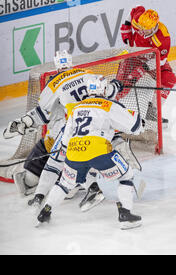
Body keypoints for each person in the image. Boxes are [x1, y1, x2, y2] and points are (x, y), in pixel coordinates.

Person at [3, 50, 123, 211]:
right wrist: (116, 85)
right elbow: (108, 92)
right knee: (87, 158)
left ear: (57, 67)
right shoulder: (87, 74)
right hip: (99, 128)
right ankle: (100, 183)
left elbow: (41, 114)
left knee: (56, 161)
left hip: (74, 126)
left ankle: (41, 195)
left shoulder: (54, 84)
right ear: (71, 63)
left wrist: (23, 123)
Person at [36, 75, 145, 229]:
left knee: (64, 183)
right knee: (126, 176)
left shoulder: (77, 108)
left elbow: (66, 140)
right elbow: (133, 127)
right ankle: (125, 214)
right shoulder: (107, 105)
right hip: (97, 150)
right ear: (104, 89)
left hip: (74, 152)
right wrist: (140, 123)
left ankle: (45, 212)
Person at [118, 5, 176, 125]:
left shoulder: (163, 38)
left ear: (155, 26)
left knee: (169, 79)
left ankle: (152, 110)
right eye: (141, 28)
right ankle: (108, 108)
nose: (143, 31)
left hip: (152, 60)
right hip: (133, 56)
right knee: (121, 85)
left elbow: (161, 61)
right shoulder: (139, 20)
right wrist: (126, 34)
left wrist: (143, 69)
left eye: (146, 29)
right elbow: (133, 11)